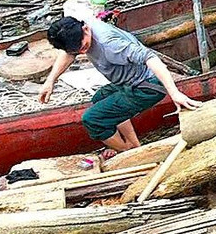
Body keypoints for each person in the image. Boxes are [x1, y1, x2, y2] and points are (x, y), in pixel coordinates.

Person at [38, 15, 202, 153]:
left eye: (83, 47)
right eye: (77, 51)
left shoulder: (110, 45)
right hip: (126, 81)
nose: (82, 53)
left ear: (85, 29)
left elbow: (150, 57)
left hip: (146, 86)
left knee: (93, 119)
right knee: (99, 99)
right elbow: (68, 54)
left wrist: (174, 93)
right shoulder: (79, 25)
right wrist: (50, 81)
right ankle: (134, 145)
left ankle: (128, 152)